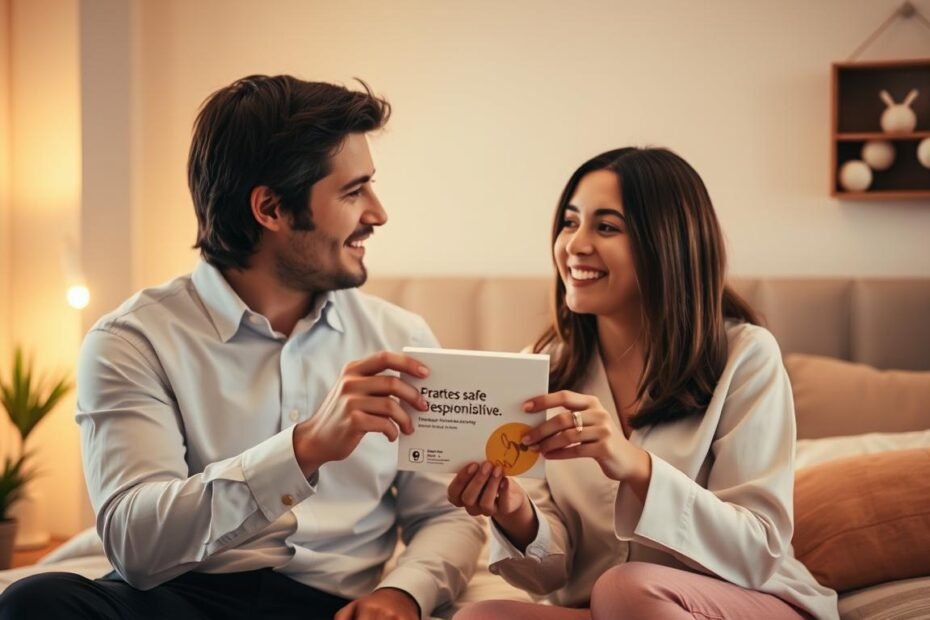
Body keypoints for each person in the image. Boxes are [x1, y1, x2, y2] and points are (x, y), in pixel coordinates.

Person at [0, 75, 484, 620]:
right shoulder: (133, 341)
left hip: (331, 607)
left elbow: (445, 515)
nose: (377, 213)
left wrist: (403, 594)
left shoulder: (403, 341)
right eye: (353, 191)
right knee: (34, 602)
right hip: (179, 599)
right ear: (271, 209)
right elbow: (134, 543)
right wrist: (302, 450)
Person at [447, 147, 839, 619]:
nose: (574, 244)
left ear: (666, 244)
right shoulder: (547, 366)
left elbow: (756, 553)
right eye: (570, 222)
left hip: (745, 603)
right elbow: (549, 580)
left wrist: (635, 465)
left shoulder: (745, 356)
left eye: (606, 226)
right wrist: (514, 512)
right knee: (479, 616)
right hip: (614, 607)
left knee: (626, 590)